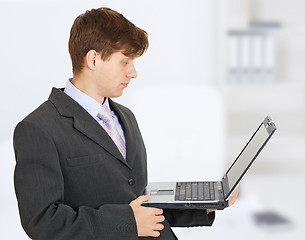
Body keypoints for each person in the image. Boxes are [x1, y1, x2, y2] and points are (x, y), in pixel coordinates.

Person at [13, 7, 240, 240]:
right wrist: (127, 222)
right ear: (93, 59)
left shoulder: (126, 117)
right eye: (125, 61)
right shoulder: (38, 129)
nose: (133, 73)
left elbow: (137, 202)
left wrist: (205, 204)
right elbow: (42, 221)